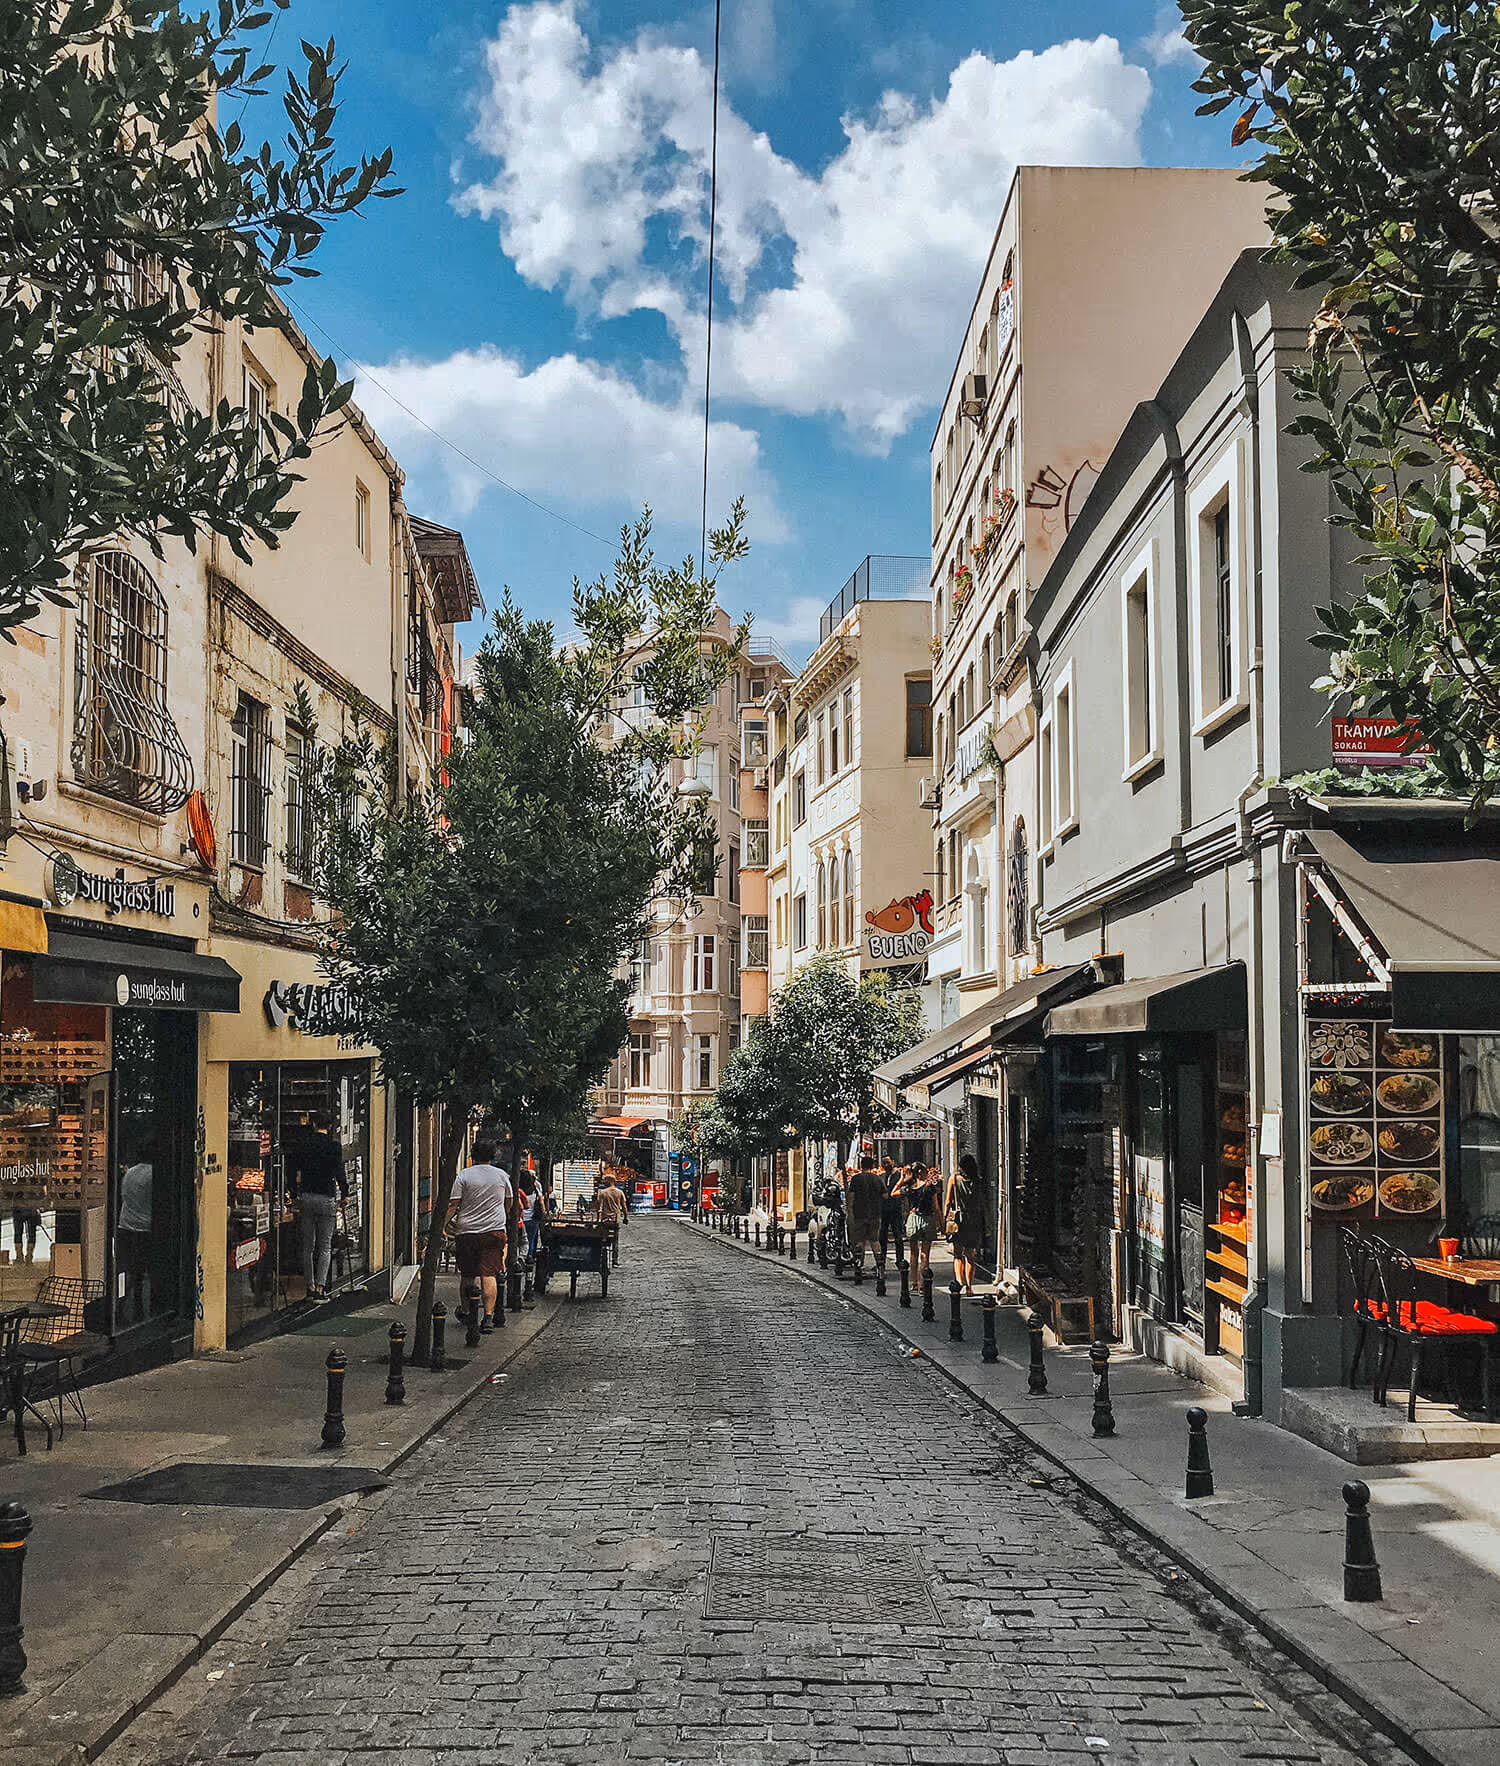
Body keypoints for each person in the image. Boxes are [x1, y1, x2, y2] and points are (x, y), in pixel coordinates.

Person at [444, 1138, 513, 1330]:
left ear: (473, 1155)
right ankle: (488, 1317)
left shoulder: (464, 1175)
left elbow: (453, 1205)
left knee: (467, 1275)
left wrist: (442, 1226)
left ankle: (466, 1311)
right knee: (488, 1274)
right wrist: (502, 1217)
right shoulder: (502, 1176)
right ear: (493, 1155)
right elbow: (509, 1201)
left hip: (467, 1231)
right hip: (493, 1231)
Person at [291, 1113, 349, 1301]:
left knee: (307, 1246)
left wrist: (293, 1194)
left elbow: (292, 1170)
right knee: (324, 1246)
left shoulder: (304, 1144)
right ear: (329, 1126)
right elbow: (339, 1171)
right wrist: (345, 1193)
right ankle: (321, 1288)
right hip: (326, 1198)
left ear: (314, 1124)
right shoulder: (333, 1147)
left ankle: (309, 1286)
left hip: (307, 1197)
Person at [117, 1137, 156, 1323]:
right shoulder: (153, 1175)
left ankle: (122, 1305)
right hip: (145, 1229)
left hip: (125, 1226)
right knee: (146, 1272)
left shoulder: (130, 1173)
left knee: (130, 1271)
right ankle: (143, 1309)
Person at [946, 1151, 990, 1296]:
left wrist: (945, 1220)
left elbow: (947, 1202)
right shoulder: (978, 1181)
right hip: (974, 1219)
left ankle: (959, 1282)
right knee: (970, 1255)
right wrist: (987, 1222)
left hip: (959, 1219)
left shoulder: (953, 1179)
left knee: (958, 1254)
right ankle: (970, 1287)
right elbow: (983, 1203)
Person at [900, 1162, 943, 1291]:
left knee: (913, 1254)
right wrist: (942, 1223)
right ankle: (923, 1284)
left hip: (913, 1219)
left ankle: (913, 1283)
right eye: (925, 1171)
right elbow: (936, 1208)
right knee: (925, 1254)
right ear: (920, 1172)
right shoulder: (930, 1187)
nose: (928, 1173)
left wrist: (903, 1178)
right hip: (927, 1219)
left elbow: (894, 1192)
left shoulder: (909, 1187)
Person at [844, 1154, 884, 1274]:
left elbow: (851, 1196)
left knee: (859, 1241)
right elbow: (885, 1195)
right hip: (875, 1214)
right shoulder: (877, 1179)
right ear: (872, 1166)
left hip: (859, 1214)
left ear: (861, 1165)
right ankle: (880, 1266)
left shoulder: (856, 1179)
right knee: (875, 1241)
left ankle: (858, 1266)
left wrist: (850, 1211)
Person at [877, 1156, 904, 1270]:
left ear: (893, 1162)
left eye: (888, 1162)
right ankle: (881, 1261)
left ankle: (900, 1260)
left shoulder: (899, 1176)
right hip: (883, 1210)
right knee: (882, 1237)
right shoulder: (881, 1177)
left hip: (896, 1209)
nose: (886, 1165)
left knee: (898, 1236)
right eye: (884, 1163)